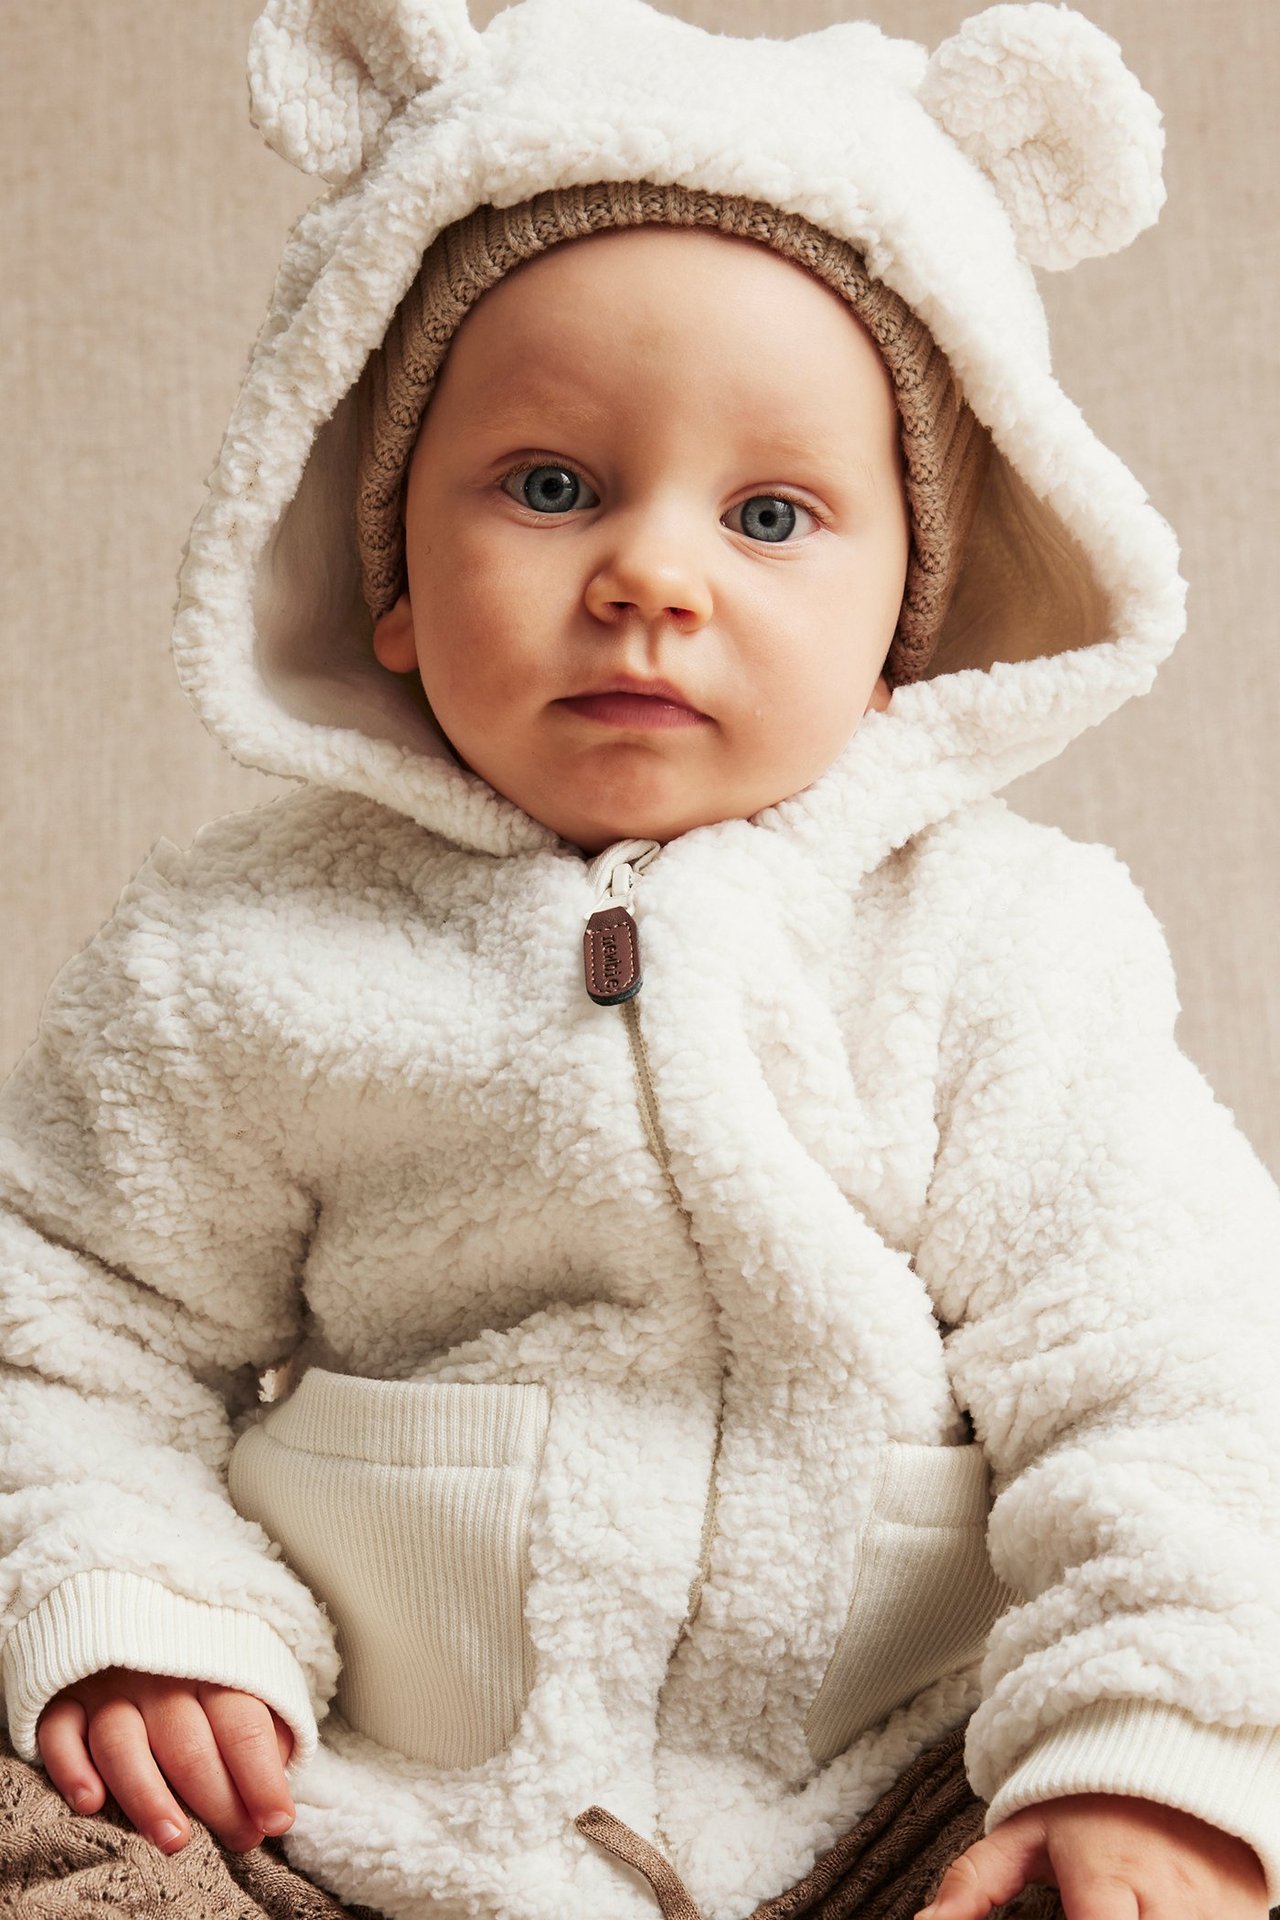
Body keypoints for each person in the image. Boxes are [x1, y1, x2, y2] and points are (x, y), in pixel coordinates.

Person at [1, 1, 1278, 1917]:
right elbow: (65, 1316)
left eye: (771, 516)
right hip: (338, 1817)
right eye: (550, 486)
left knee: (1174, 1837)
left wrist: (1154, 1748)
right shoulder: (236, 951)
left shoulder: (1006, 951)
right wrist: (138, 1612)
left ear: (907, 621)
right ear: (392, 571)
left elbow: (1178, 1364)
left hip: (888, 1812)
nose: (651, 579)